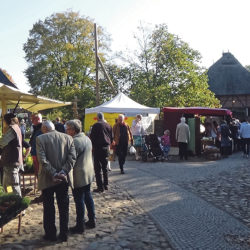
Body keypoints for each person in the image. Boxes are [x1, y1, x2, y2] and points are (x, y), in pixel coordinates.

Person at [36, 120, 76, 242]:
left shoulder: (40, 139)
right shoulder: (68, 138)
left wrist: (54, 173)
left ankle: (51, 234)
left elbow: (42, 160)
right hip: (63, 179)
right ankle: (64, 234)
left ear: (44, 128)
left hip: (48, 178)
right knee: (64, 207)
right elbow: (72, 158)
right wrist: (63, 172)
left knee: (48, 207)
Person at [66, 119, 96, 233]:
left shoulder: (76, 142)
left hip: (80, 174)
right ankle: (92, 220)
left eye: (68, 129)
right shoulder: (87, 138)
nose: (66, 131)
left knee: (79, 200)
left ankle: (80, 225)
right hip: (88, 172)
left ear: (73, 130)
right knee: (88, 197)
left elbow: (71, 160)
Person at [0, 113, 23, 196]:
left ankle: (18, 205)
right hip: (9, 163)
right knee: (7, 186)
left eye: (3, 120)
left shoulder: (13, 129)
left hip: (12, 163)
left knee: (13, 186)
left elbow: (2, 142)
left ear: (6, 121)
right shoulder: (16, 127)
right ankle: (11, 201)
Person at [90, 112, 113, 192]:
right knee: (105, 167)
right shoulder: (108, 125)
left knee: (97, 168)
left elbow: (92, 137)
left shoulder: (95, 125)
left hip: (98, 148)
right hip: (106, 148)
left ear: (97, 118)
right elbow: (111, 137)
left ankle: (100, 187)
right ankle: (106, 185)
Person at [29, 113, 43, 178]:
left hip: (38, 155)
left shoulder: (41, 129)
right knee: (38, 173)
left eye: (33, 119)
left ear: (38, 119)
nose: (31, 121)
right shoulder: (36, 128)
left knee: (40, 173)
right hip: (35, 154)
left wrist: (34, 154)